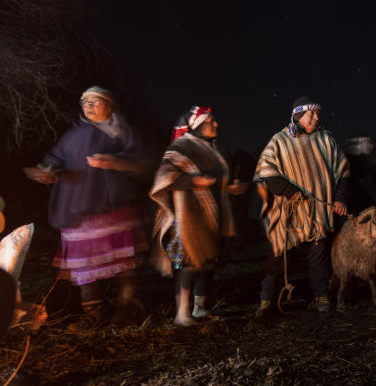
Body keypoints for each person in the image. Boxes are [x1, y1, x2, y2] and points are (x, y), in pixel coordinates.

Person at [23, 86, 148, 329]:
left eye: (95, 101)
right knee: (86, 264)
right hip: (78, 211)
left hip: (115, 210)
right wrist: (47, 172)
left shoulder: (123, 133)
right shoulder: (73, 136)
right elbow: (54, 160)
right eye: (84, 101)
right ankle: (93, 314)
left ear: (109, 105)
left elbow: (143, 163)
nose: (88, 105)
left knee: (123, 263)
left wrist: (117, 163)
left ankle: (127, 309)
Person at [254, 96, 350, 318]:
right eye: (311, 114)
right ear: (298, 116)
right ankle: (266, 300)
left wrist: (340, 198)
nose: (316, 118)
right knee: (278, 255)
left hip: (318, 211)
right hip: (288, 211)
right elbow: (266, 171)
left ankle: (321, 295)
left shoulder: (326, 139)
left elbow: (342, 170)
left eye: (318, 114)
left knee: (319, 255)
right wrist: (289, 191)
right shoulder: (279, 141)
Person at [150, 106, 237, 326]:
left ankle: (200, 308)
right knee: (188, 264)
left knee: (207, 263)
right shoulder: (182, 147)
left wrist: (231, 187)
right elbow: (164, 179)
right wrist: (193, 181)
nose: (216, 125)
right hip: (186, 218)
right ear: (197, 125)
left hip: (210, 217)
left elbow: (220, 180)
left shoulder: (214, 149)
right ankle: (182, 313)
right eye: (211, 122)